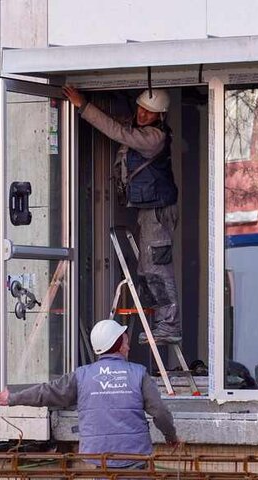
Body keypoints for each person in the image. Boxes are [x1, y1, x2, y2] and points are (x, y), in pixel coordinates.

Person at [0, 318, 179, 480]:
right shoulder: (139, 374)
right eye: (126, 342)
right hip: (135, 457)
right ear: (119, 345)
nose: (128, 347)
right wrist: (171, 436)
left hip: (100, 460)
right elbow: (160, 412)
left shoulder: (82, 376)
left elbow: (48, 392)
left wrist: (12, 398)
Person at [62, 84, 181, 344]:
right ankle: (162, 319)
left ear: (160, 116)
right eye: (140, 108)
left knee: (157, 266)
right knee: (149, 265)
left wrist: (84, 107)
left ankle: (169, 325)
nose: (142, 114)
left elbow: (118, 132)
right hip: (151, 208)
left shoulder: (154, 138)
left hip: (157, 210)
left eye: (149, 112)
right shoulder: (143, 128)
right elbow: (120, 124)